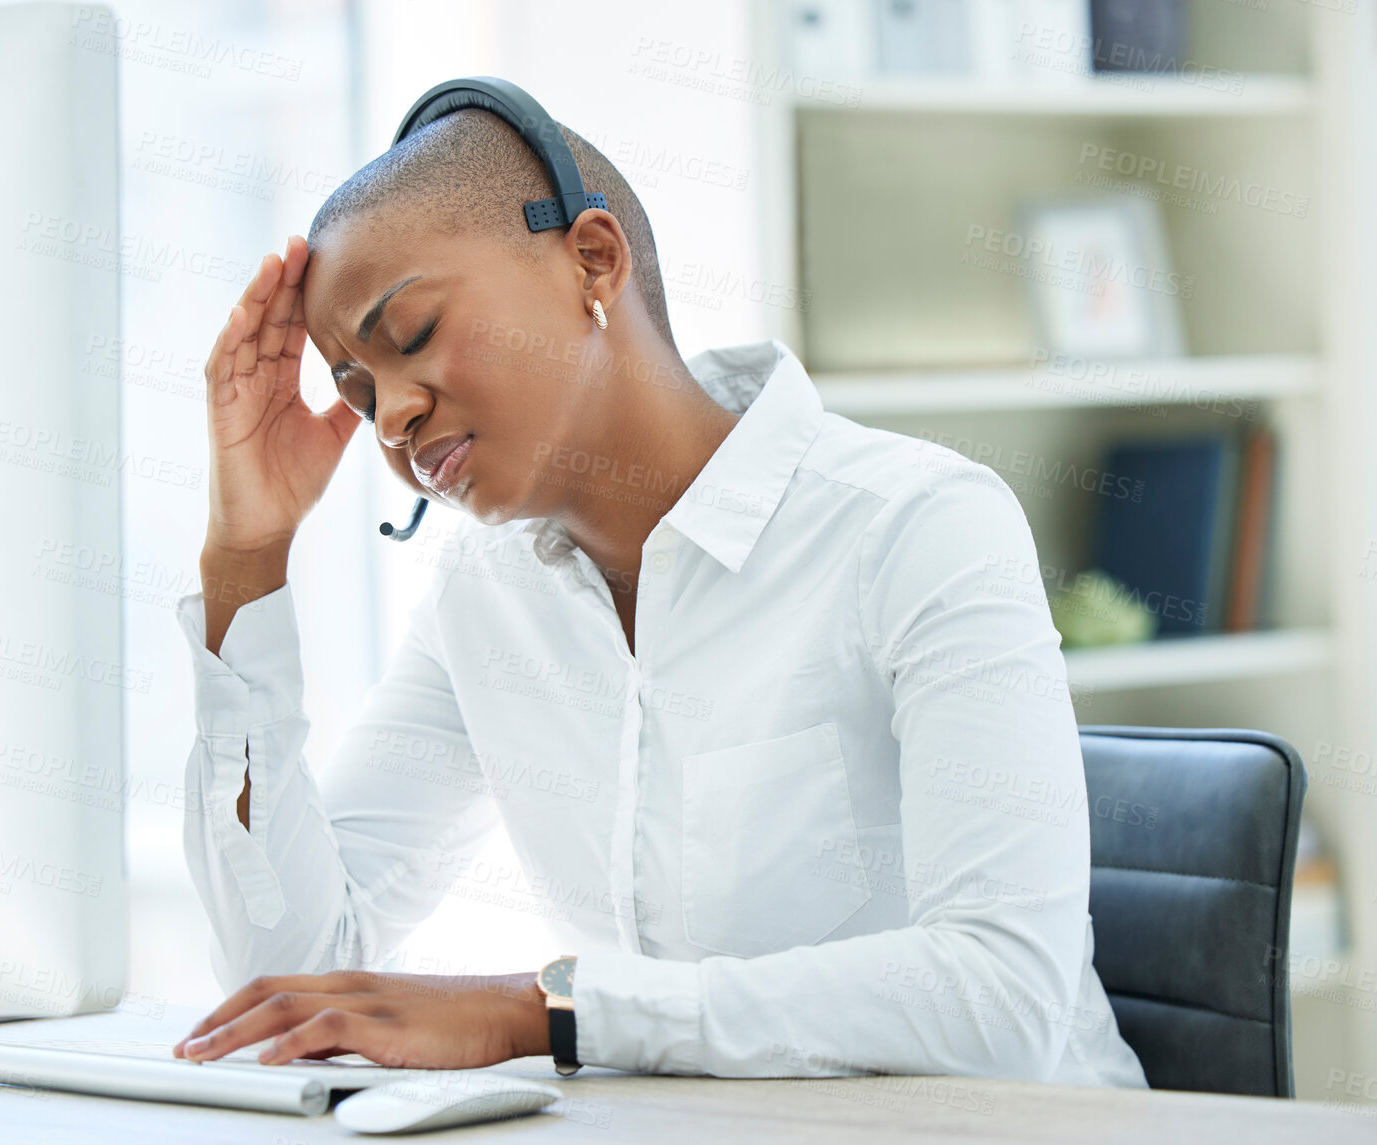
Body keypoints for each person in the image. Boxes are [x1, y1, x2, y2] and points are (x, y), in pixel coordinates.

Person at [168, 104, 1148, 1087]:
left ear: (594, 260)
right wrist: (244, 553)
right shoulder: (482, 601)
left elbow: (1003, 996)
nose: (395, 417)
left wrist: (547, 1009)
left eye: (413, 335)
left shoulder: (918, 526)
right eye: (359, 391)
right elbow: (286, 982)